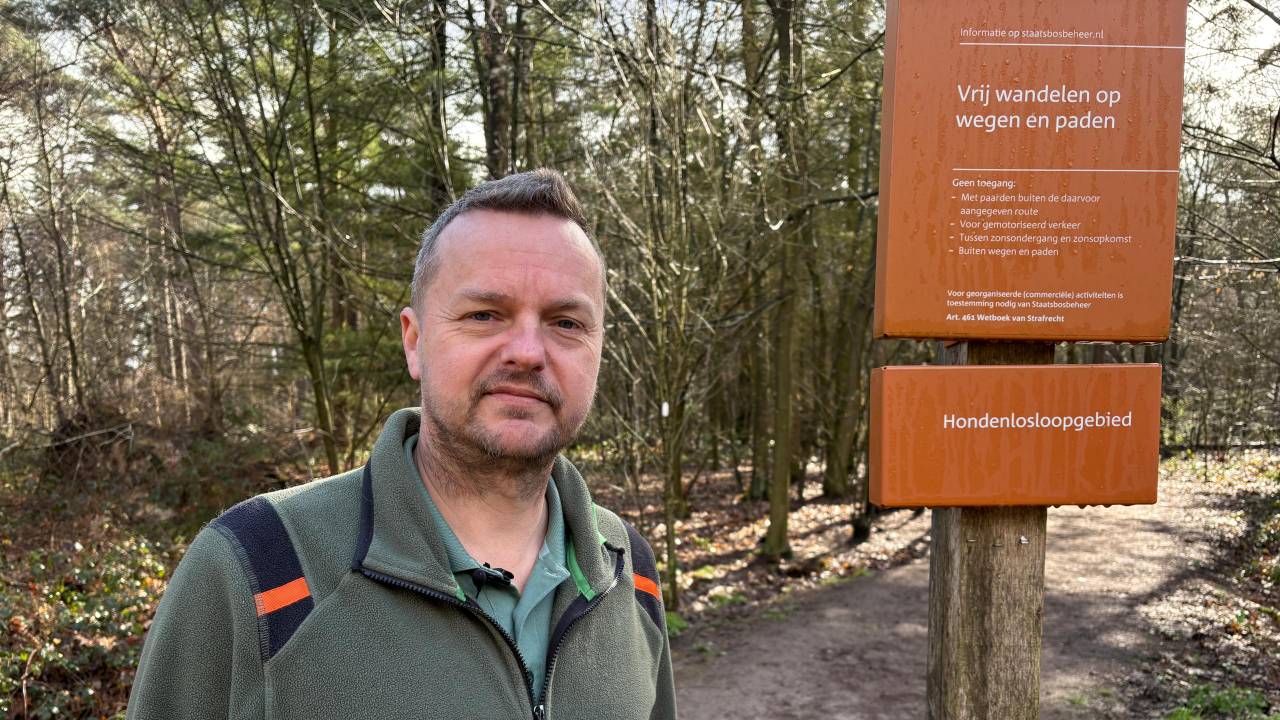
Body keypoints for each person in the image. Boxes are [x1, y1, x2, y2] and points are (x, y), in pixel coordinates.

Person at [126, 169, 677, 720]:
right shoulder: (255, 574)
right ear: (415, 342)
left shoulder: (629, 570)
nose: (528, 352)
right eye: (485, 314)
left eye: (566, 322)